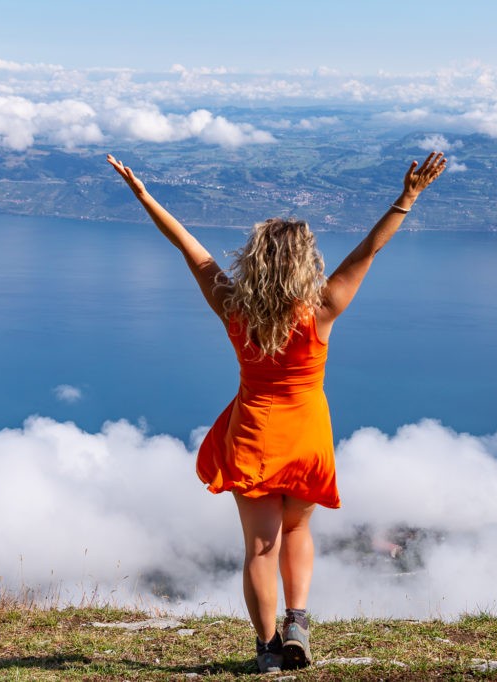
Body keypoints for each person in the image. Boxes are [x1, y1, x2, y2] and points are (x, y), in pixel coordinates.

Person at [106, 150, 446, 672]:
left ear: (256, 258)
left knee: (259, 548)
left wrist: (145, 197)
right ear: (305, 262)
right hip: (307, 432)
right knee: (298, 532)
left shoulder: (232, 305)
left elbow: (187, 248)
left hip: (253, 434)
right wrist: (407, 198)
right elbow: (366, 253)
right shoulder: (323, 308)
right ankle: (298, 621)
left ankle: (266, 652)